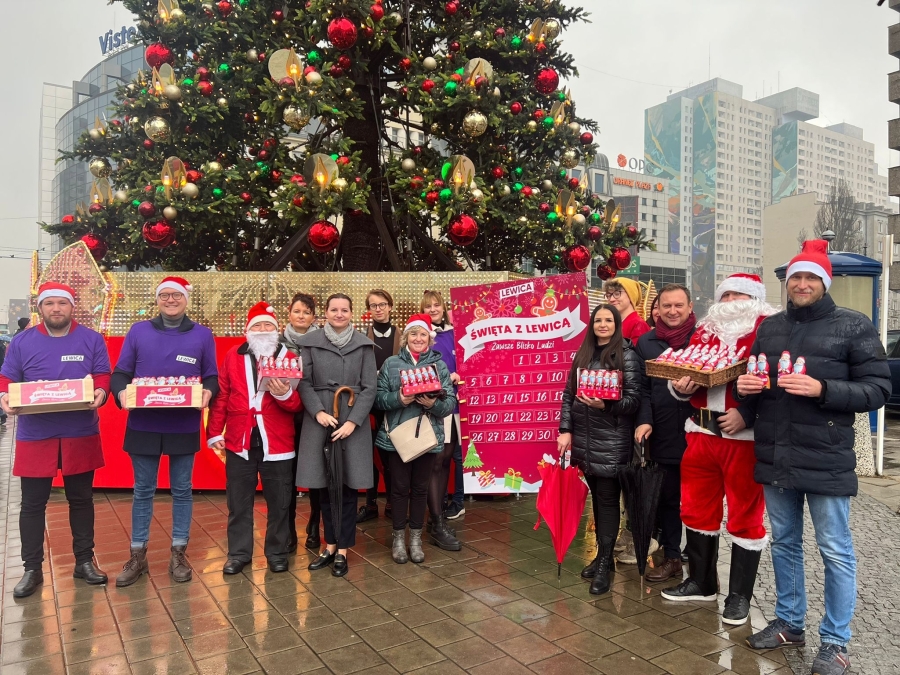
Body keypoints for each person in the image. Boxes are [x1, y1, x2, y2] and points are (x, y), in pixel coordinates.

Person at [738, 241, 890, 675]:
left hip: (826, 455)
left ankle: (836, 642)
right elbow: (759, 383)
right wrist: (746, 392)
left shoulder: (854, 326)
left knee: (835, 550)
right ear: (787, 283)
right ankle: (790, 622)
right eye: (796, 278)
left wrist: (824, 390)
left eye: (811, 277)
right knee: (785, 542)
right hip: (776, 453)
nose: (802, 284)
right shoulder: (770, 328)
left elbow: (878, 390)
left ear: (824, 282)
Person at [659, 274, 777, 627]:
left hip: (743, 438)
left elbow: (775, 382)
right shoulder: (706, 330)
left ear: (754, 298)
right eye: (725, 295)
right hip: (700, 433)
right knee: (695, 508)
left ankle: (739, 596)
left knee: (745, 514)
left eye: (738, 295)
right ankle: (702, 582)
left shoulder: (769, 330)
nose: (729, 301)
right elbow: (691, 371)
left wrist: (747, 415)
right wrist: (680, 388)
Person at [0, 283, 111, 597]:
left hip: (80, 431)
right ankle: (31, 569)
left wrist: (101, 392)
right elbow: (7, 376)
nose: (56, 309)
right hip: (35, 434)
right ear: (40, 308)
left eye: (63, 303)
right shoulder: (22, 341)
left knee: (82, 500)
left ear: (72, 307)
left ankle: (84, 561)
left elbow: (102, 374)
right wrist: (5, 395)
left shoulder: (91, 339)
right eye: (50, 304)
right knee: (32, 504)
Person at [111, 277, 218, 587]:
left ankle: (178, 553)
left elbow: (211, 376)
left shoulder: (202, 335)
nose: (171, 300)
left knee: (182, 489)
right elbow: (120, 373)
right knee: (142, 490)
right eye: (165, 295)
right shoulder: (138, 331)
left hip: (183, 424)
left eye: (176, 295)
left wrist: (208, 392)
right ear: (157, 299)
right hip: (143, 424)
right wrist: (121, 392)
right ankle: (138, 555)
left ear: (186, 299)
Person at [208, 302, 303, 574]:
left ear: (276, 329)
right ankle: (238, 553)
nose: (262, 330)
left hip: (278, 439)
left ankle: (277, 552)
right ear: (248, 331)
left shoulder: (289, 357)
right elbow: (223, 395)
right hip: (240, 438)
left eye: (267, 325)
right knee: (238, 502)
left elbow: (298, 405)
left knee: (280, 501)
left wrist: (284, 394)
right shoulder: (232, 356)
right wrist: (214, 431)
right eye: (257, 325)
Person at [558, 303, 641, 595]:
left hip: (612, 441)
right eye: (598, 320)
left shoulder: (627, 355)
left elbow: (633, 401)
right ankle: (602, 556)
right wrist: (565, 430)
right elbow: (568, 395)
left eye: (608, 320)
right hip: (584, 439)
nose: (602, 325)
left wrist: (606, 405)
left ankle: (605, 562)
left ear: (616, 325)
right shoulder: (583, 354)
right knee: (597, 499)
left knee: (607, 501)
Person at [296, 293, 376, 577]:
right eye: (334, 309)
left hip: (352, 422)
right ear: (326, 313)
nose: (339, 314)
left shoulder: (364, 346)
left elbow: (370, 387)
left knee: (348, 487)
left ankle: (343, 550)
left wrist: (353, 421)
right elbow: (303, 382)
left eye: (344, 310)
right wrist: (318, 411)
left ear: (351, 313)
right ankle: (329, 546)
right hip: (320, 421)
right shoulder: (309, 343)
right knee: (325, 487)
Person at [376, 314, 457, 564]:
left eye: (423, 334)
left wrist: (433, 404)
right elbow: (378, 399)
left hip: (427, 435)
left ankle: (415, 539)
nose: (418, 338)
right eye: (413, 334)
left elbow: (450, 403)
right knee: (400, 489)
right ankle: (398, 539)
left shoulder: (439, 366)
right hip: (398, 437)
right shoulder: (391, 364)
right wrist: (399, 398)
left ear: (429, 339)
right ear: (406, 338)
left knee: (420, 489)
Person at [633, 284, 697, 575]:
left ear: (690, 307)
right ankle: (672, 557)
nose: (672, 311)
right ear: (657, 309)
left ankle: (700, 562)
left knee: (699, 499)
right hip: (663, 429)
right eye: (666, 305)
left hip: (699, 429)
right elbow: (643, 389)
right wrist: (644, 420)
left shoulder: (703, 338)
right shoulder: (646, 343)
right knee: (668, 498)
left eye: (678, 305)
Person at [422, 290, 464, 546]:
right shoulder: (421, 334)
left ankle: (438, 515)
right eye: (428, 306)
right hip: (435, 405)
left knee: (447, 458)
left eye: (436, 305)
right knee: (436, 462)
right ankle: (435, 519)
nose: (433, 309)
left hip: (456, 405)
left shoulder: (454, 333)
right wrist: (446, 377)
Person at [281, 292, 320, 552]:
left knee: (315, 472)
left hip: (313, 415)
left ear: (313, 317)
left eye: (307, 312)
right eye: (297, 311)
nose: (301, 316)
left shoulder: (322, 342)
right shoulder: (276, 343)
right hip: (284, 416)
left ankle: (315, 524)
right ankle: (288, 530)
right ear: (289, 313)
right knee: (288, 474)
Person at [358, 289, 400, 523]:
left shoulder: (402, 335)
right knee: (367, 454)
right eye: (373, 305)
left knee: (391, 456)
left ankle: (393, 502)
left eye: (382, 304)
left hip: (393, 405)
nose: (378, 309)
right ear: (369, 310)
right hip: (368, 405)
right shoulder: (362, 337)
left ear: (390, 306)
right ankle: (370, 503)